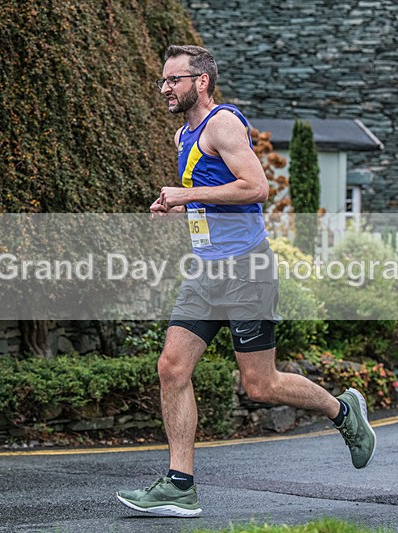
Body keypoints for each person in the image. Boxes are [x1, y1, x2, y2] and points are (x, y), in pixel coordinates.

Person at [115, 45, 376, 517]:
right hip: (205, 271)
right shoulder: (183, 136)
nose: (165, 89)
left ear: (201, 82)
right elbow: (213, 200)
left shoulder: (223, 124)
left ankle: (343, 411)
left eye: (174, 80)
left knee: (260, 385)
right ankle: (179, 485)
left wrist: (187, 193)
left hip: (246, 271)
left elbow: (257, 187)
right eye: (163, 81)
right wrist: (177, 205)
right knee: (171, 368)